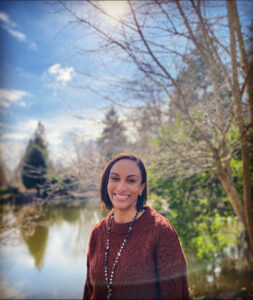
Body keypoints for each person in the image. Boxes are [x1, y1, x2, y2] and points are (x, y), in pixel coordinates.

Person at [83, 153, 189, 300]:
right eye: (114, 178)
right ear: (106, 183)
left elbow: (176, 294)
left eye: (131, 180)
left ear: (141, 188)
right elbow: (89, 291)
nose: (120, 187)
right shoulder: (97, 232)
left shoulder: (160, 231)